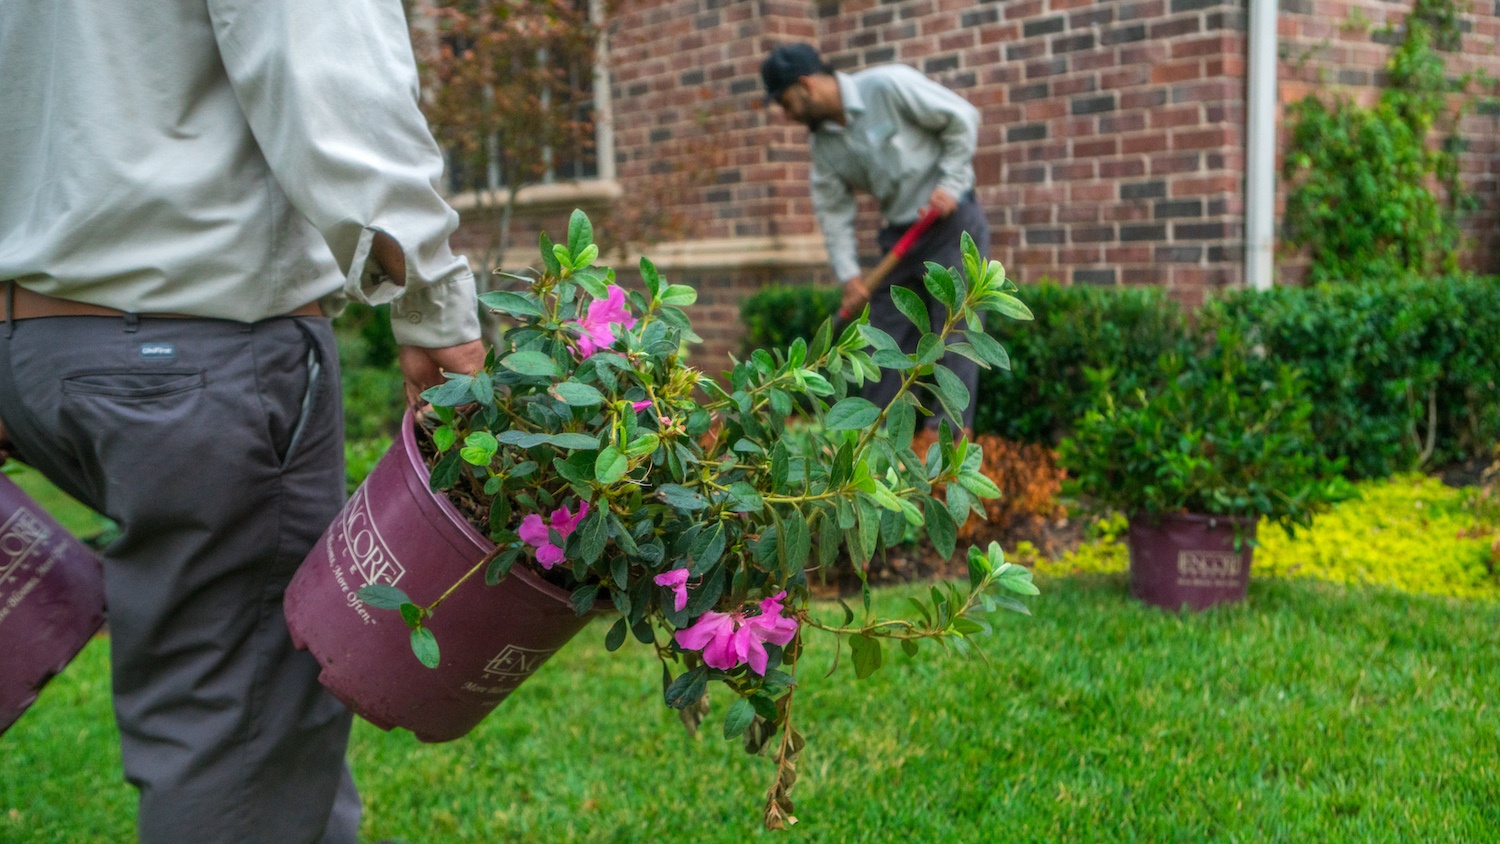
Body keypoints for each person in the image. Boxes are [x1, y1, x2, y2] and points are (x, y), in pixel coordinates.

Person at [0, 2, 485, 841]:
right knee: (235, 720)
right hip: (200, 348)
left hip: (39, 343)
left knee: (270, 701)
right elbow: (329, 66)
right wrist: (436, 302)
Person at [761, 42, 988, 432]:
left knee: (955, 337)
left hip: (950, 224)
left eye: (785, 103)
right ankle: (872, 445)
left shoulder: (888, 85)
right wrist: (849, 275)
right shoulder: (824, 145)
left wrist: (950, 183)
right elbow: (833, 212)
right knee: (880, 341)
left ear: (806, 86)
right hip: (899, 239)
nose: (786, 115)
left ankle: (946, 456)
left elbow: (962, 118)